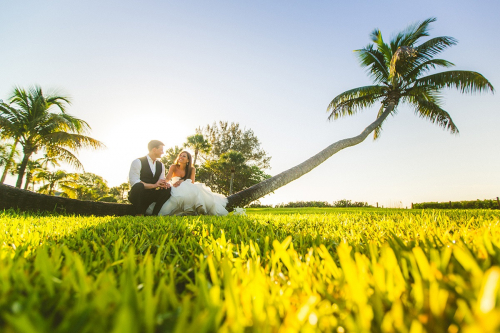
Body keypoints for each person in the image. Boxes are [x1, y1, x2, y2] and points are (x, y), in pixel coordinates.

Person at [150, 150, 228, 216]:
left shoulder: (192, 169)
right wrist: (164, 183)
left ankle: (200, 207)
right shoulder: (173, 166)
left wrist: (182, 181)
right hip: (175, 187)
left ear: (188, 160)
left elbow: (192, 181)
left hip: (187, 187)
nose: (181, 157)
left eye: (184, 156)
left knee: (190, 185)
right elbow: (167, 178)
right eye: (180, 155)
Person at [128, 140, 172, 215]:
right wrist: (154, 185)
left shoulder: (161, 165)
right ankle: (139, 213)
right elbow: (134, 182)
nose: (163, 152)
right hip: (138, 195)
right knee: (139, 185)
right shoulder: (138, 161)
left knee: (168, 189)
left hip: (151, 195)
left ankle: (155, 214)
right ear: (154, 149)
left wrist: (164, 184)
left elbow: (161, 180)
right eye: (161, 150)